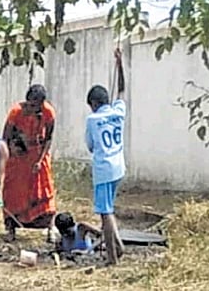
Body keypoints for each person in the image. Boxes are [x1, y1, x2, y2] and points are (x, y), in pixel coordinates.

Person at [84, 49, 126, 265]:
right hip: (119, 168)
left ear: (93, 103)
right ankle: (118, 246)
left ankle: (112, 258)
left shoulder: (92, 120)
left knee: (105, 212)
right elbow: (122, 90)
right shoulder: (119, 111)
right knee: (109, 208)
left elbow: (91, 146)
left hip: (103, 170)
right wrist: (120, 65)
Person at [1, 84, 57, 242]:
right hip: (18, 159)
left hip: (38, 156)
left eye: (36, 105)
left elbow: (49, 138)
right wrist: (11, 151)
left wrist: (40, 160)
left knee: (45, 191)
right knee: (13, 192)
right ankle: (11, 228)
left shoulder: (48, 112)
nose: (33, 109)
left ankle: (50, 228)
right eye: (30, 105)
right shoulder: (16, 112)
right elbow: (5, 137)